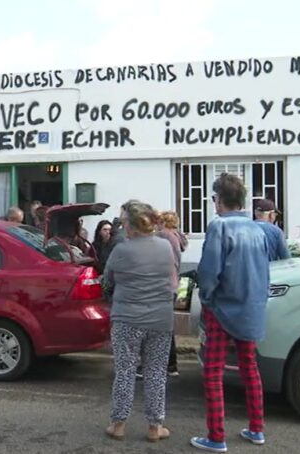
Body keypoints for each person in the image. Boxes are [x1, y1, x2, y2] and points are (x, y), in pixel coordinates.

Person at [191, 173, 270, 452]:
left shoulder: (219, 227)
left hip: (223, 308)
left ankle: (216, 436)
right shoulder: (258, 229)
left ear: (219, 199)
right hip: (251, 307)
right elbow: (265, 270)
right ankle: (257, 429)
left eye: (214, 198)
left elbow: (211, 270)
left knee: (213, 371)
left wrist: (206, 296)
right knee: (250, 368)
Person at [103, 201, 176, 443]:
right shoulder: (166, 247)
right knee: (156, 372)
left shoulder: (121, 250)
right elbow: (172, 276)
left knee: (125, 370)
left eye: (123, 221)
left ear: (132, 226)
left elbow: (107, 283)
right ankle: (155, 427)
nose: (120, 225)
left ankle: (118, 424)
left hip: (127, 319)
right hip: (161, 318)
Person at [157, 210, 189, 378]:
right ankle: (171, 364)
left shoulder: (164, 236)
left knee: (162, 328)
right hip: (173, 285)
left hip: (164, 286)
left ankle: (167, 364)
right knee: (167, 327)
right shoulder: (176, 236)